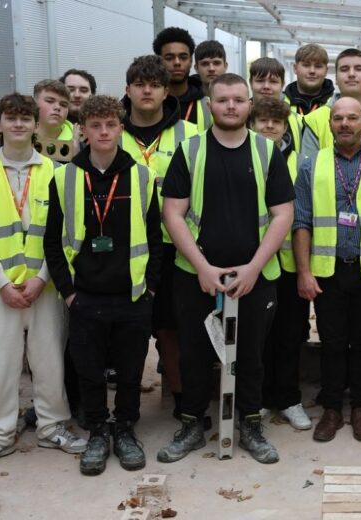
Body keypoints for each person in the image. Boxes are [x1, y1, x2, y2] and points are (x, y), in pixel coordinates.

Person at [157, 73, 294, 465]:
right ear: (209, 105)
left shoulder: (267, 152)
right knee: (195, 354)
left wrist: (253, 268)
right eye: (223, 100)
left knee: (251, 354)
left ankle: (250, 425)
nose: (231, 106)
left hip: (256, 276)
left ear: (249, 105)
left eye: (238, 100)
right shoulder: (191, 150)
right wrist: (202, 267)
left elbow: (283, 214)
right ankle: (192, 425)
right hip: (196, 275)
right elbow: (173, 212)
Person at [44, 95, 163, 476]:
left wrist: (150, 290)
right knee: (89, 369)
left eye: (110, 125)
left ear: (120, 128)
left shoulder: (141, 176)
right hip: (85, 295)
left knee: (131, 370)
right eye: (95, 126)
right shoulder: (64, 177)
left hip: (132, 294)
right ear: (83, 130)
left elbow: (156, 237)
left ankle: (125, 429)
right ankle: (98, 429)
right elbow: (52, 240)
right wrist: (69, 292)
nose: (104, 132)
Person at [0, 93, 86, 458]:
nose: (18, 124)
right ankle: (0, 433)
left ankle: (52, 427)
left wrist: (40, 278)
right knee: (0, 365)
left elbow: (64, 234)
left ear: (36, 125)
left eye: (25, 119)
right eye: (10, 118)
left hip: (43, 287)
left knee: (49, 361)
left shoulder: (55, 171)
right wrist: (3, 283)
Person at [293, 96, 361, 443]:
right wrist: (304, 272)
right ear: (329, 124)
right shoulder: (312, 164)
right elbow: (301, 221)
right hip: (327, 270)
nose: (344, 124)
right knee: (332, 341)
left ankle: (360, 407)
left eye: (352, 118)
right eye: (338, 118)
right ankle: (331, 409)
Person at [119, 55, 198, 420]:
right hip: (124, 250)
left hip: (174, 247)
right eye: (139, 83)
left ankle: (182, 400)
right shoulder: (111, 133)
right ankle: (124, 409)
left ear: (167, 91)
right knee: (127, 332)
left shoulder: (190, 134)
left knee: (171, 328)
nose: (147, 90)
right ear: (128, 90)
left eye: (154, 84)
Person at [250, 97, 312, 430]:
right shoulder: (243, 157)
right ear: (252, 124)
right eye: (262, 120)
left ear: (286, 127)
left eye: (276, 121)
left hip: (289, 262)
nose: (269, 126)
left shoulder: (300, 163)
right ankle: (258, 399)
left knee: (289, 334)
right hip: (254, 264)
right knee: (257, 336)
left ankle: (288, 398)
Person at [152, 27, 211, 132]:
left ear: (191, 61)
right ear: (158, 61)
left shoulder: (208, 105)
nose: (177, 62)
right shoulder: (145, 101)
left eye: (183, 57)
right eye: (169, 58)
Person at [249, 57, 303, 153]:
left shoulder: (297, 121)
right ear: (250, 83)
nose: (266, 86)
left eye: (273, 82)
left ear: (282, 85)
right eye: (260, 81)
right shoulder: (239, 116)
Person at [282, 43, 334, 116]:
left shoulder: (337, 103)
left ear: (326, 71)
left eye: (318, 66)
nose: (312, 71)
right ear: (295, 68)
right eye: (306, 65)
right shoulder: (279, 102)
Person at [33, 79, 75, 163]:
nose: (57, 107)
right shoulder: (18, 140)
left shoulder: (80, 145)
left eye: (64, 105)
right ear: (34, 103)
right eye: (50, 101)